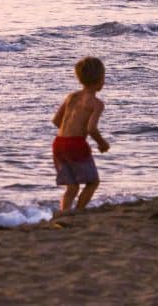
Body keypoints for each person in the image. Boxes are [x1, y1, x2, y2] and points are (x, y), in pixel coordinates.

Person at [52, 57, 110, 214]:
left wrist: (70, 129)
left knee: (71, 186)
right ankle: (78, 212)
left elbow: (56, 121)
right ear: (100, 80)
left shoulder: (71, 97)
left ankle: (64, 214)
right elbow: (91, 129)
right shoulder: (96, 103)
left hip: (59, 143)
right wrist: (102, 143)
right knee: (92, 182)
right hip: (76, 144)